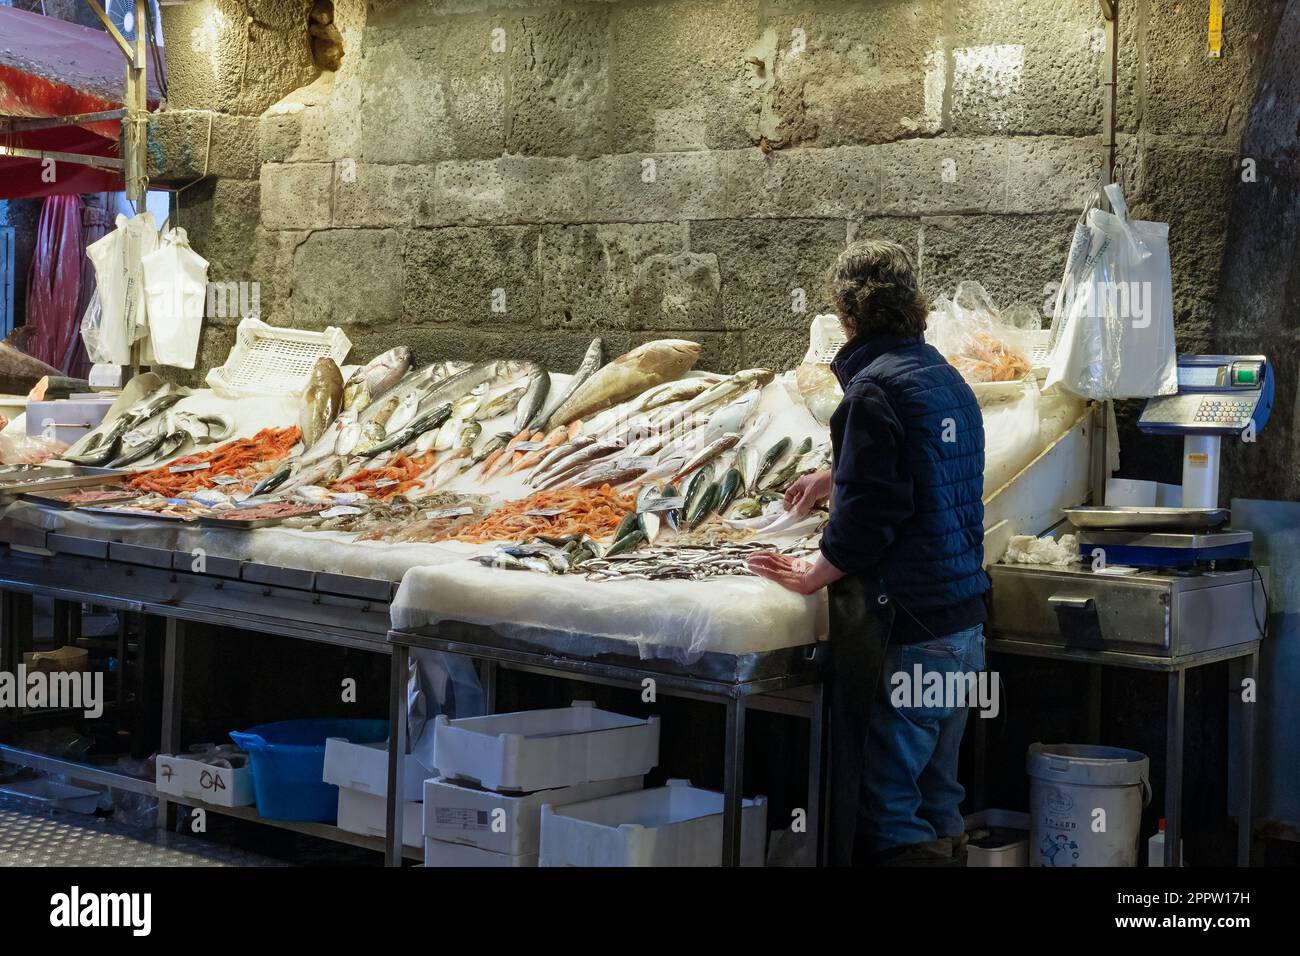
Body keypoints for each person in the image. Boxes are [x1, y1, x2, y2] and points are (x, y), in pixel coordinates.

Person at [747, 239, 989, 866]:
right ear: (913, 306)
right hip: (961, 625)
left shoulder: (873, 391)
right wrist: (838, 474)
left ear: (847, 317)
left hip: (906, 628)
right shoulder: (946, 377)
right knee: (939, 798)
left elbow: (869, 520)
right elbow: (922, 466)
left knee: (889, 813)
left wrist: (813, 573)